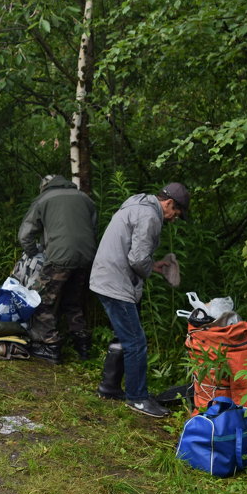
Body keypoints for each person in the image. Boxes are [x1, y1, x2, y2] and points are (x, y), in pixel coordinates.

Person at [89, 182, 189, 418]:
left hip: (105, 277)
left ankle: (109, 387)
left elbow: (130, 252)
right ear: (169, 203)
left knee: (123, 336)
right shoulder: (150, 217)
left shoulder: (137, 205)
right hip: (116, 283)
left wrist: (154, 267)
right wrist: (146, 268)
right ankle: (138, 398)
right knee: (136, 342)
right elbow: (136, 259)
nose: (174, 219)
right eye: (176, 213)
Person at [17, 174, 98, 364]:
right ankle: (83, 346)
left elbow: (25, 234)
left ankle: (50, 346)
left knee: (41, 300)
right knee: (73, 301)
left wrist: (33, 253)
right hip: (86, 257)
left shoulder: (44, 199)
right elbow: (93, 229)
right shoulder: (85, 198)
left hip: (59, 257)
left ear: (44, 186)